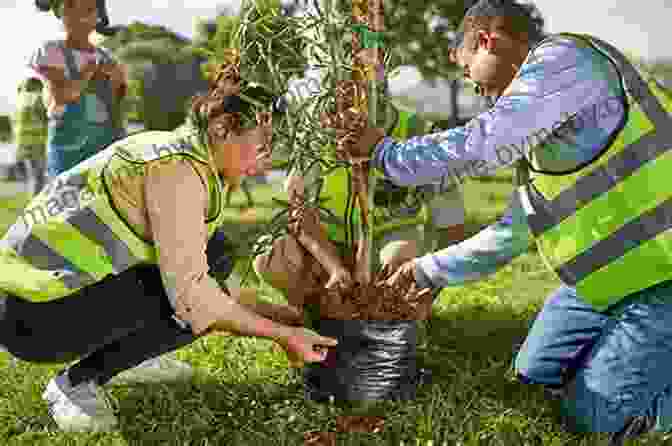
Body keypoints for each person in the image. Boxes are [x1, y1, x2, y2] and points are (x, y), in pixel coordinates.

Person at [338, 0, 672, 443]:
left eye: (465, 68)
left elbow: (482, 144)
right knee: (530, 380)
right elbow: (510, 234)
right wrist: (425, 270)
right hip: (604, 284)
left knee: (593, 420)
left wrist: (385, 153)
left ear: (485, 41)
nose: (469, 85)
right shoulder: (541, 138)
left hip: (663, 280)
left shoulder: (566, 62)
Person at [0, 59, 338, 433]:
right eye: (261, 146)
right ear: (223, 128)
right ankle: (77, 382)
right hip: (30, 318)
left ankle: (130, 356)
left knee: (216, 253)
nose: (266, 161)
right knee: (192, 303)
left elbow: (203, 277)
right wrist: (284, 336)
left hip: (36, 301)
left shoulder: (178, 152)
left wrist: (279, 315)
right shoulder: (176, 171)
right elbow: (195, 297)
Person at [253, 107, 467, 313]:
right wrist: (334, 267)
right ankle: (318, 317)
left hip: (386, 249)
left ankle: (396, 317)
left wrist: (429, 292)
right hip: (327, 251)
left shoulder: (418, 131)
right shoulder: (316, 135)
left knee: (401, 258)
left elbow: (452, 224)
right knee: (271, 255)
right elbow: (299, 211)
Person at [29, 0, 127, 179]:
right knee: (68, 202)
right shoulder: (50, 51)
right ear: (59, 12)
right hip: (68, 152)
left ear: (98, 15)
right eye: (71, 6)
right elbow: (62, 95)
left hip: (104, 148)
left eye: (89, 9)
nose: (79, 16)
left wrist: (117, 82)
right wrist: (89, 71)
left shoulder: (107, 57)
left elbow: (116, 107)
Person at [12, 77, 48, 196]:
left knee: (33, 177)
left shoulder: (19, 101)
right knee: (39, 177)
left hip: (21, 145)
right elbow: (45, 117)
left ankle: (33, 202)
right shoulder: (37, 98)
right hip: (36, 143)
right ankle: (35, 203)